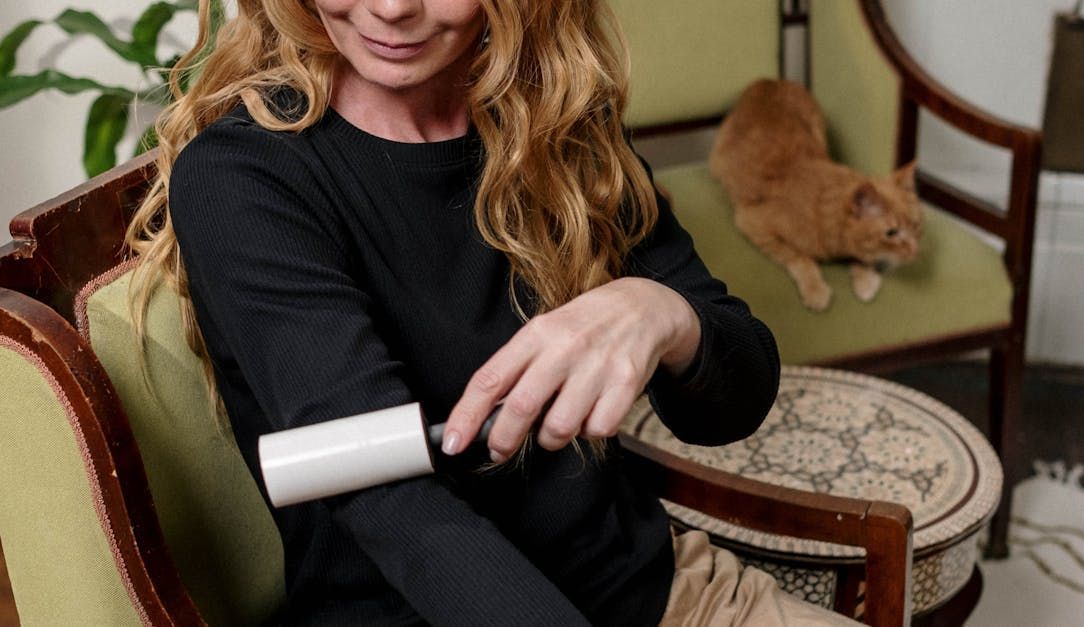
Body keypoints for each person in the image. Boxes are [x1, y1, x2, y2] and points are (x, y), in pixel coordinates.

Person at [125, 0, 857, 625]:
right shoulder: (243, 181)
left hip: (663, 597)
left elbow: (736, 403)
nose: (391, 8)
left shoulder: (559, 115)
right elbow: (397, 511)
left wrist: (664, 313)